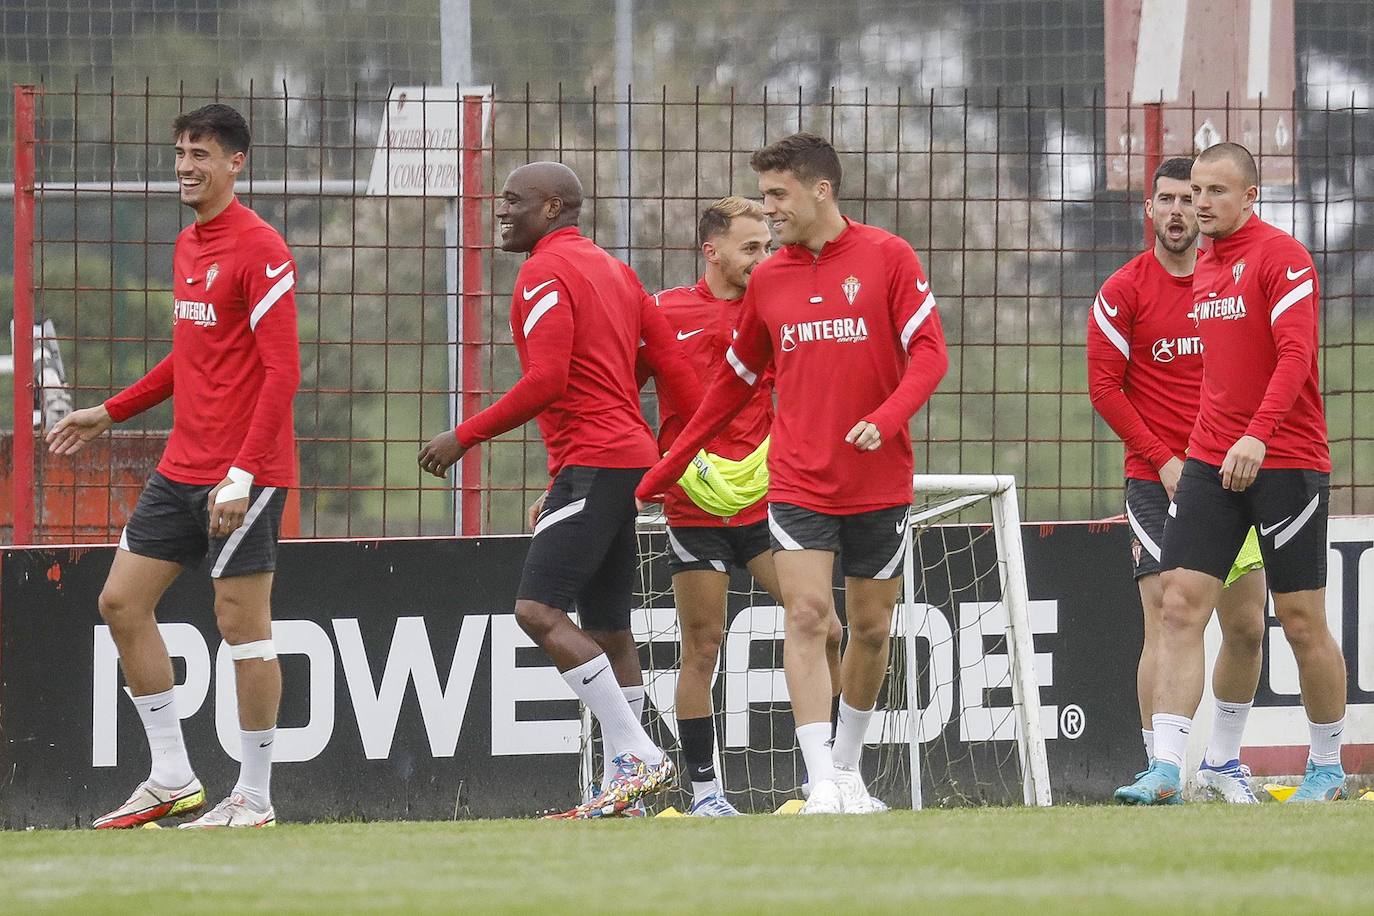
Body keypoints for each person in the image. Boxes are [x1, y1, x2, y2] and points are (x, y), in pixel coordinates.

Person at [636, 132, 948, 814]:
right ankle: (820, 783)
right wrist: (676, 458)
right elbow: (736, 381)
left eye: (779, 194)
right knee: (808, 615)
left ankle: (847, 770)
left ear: (820, 190)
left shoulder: (888, 257)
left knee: (868, 629)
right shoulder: (771, 280)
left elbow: (929, 354)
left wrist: (888, 416)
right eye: (766, 194)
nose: (770, 208)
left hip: (877, 479)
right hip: (798, 481)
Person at [418, 161, 702, 819]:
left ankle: (638, 754)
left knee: (537, 611)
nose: (501, 212)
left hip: (597, 461)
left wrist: (464, 436)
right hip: (619, 459)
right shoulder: (618, 272)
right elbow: (678, 377)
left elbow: (547, 380)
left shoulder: (544, 272)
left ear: (550, 207)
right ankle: (626, 790)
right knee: (608, 627)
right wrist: (667, 460)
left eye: (513, 201)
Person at [47, 103, 300, 829]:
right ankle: (171, 777)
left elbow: (282, 374)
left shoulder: (263, 250)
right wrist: (111, 411)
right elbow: (192, 359)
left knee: (241, 626)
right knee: (121, 604)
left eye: (202, 154)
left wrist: (244, 475)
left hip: (244, 472)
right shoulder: (188, 244)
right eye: (181, 152)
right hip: (181, 467)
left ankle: (253, 796)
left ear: (235, 164)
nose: (187, 165)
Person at [1115, 142, 1347, 804]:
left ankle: (1327, 768)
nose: (1199, 203)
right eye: (1192, 191)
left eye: (1214, 192)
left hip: (1286, 458)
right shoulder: (1204, 266)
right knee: (1179, 605)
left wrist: (1258, 434)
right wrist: (1216, 442)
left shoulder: (1282, 258)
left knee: (1299, 620)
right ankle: (1166, 767)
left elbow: (1296, 353)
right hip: (1211, 460)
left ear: (1250, 197)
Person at [646, 196, 843, 816]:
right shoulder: (662, 312)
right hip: (693, 506)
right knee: (702, 647)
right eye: (750, 247)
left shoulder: (780, 308)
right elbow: (617, 395)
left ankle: (827, 779)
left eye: (769, 246)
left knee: (827, 624)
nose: (763, 258)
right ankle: (705, 794)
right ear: (713, 250)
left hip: (767, 502)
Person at [1088, 156, 1267, 804]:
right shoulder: (1123, 291)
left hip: (1231, 477)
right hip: (1155, 478)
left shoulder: (1232, 282)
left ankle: (1221, 763)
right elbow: (1104, 388)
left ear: (1202, 206)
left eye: (1186, 198)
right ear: (1149, 209)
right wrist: (1163, 460)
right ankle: (1158, 768)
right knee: (1167, 618)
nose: (1174, 210)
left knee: (1246, 625)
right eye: (1162, 198)